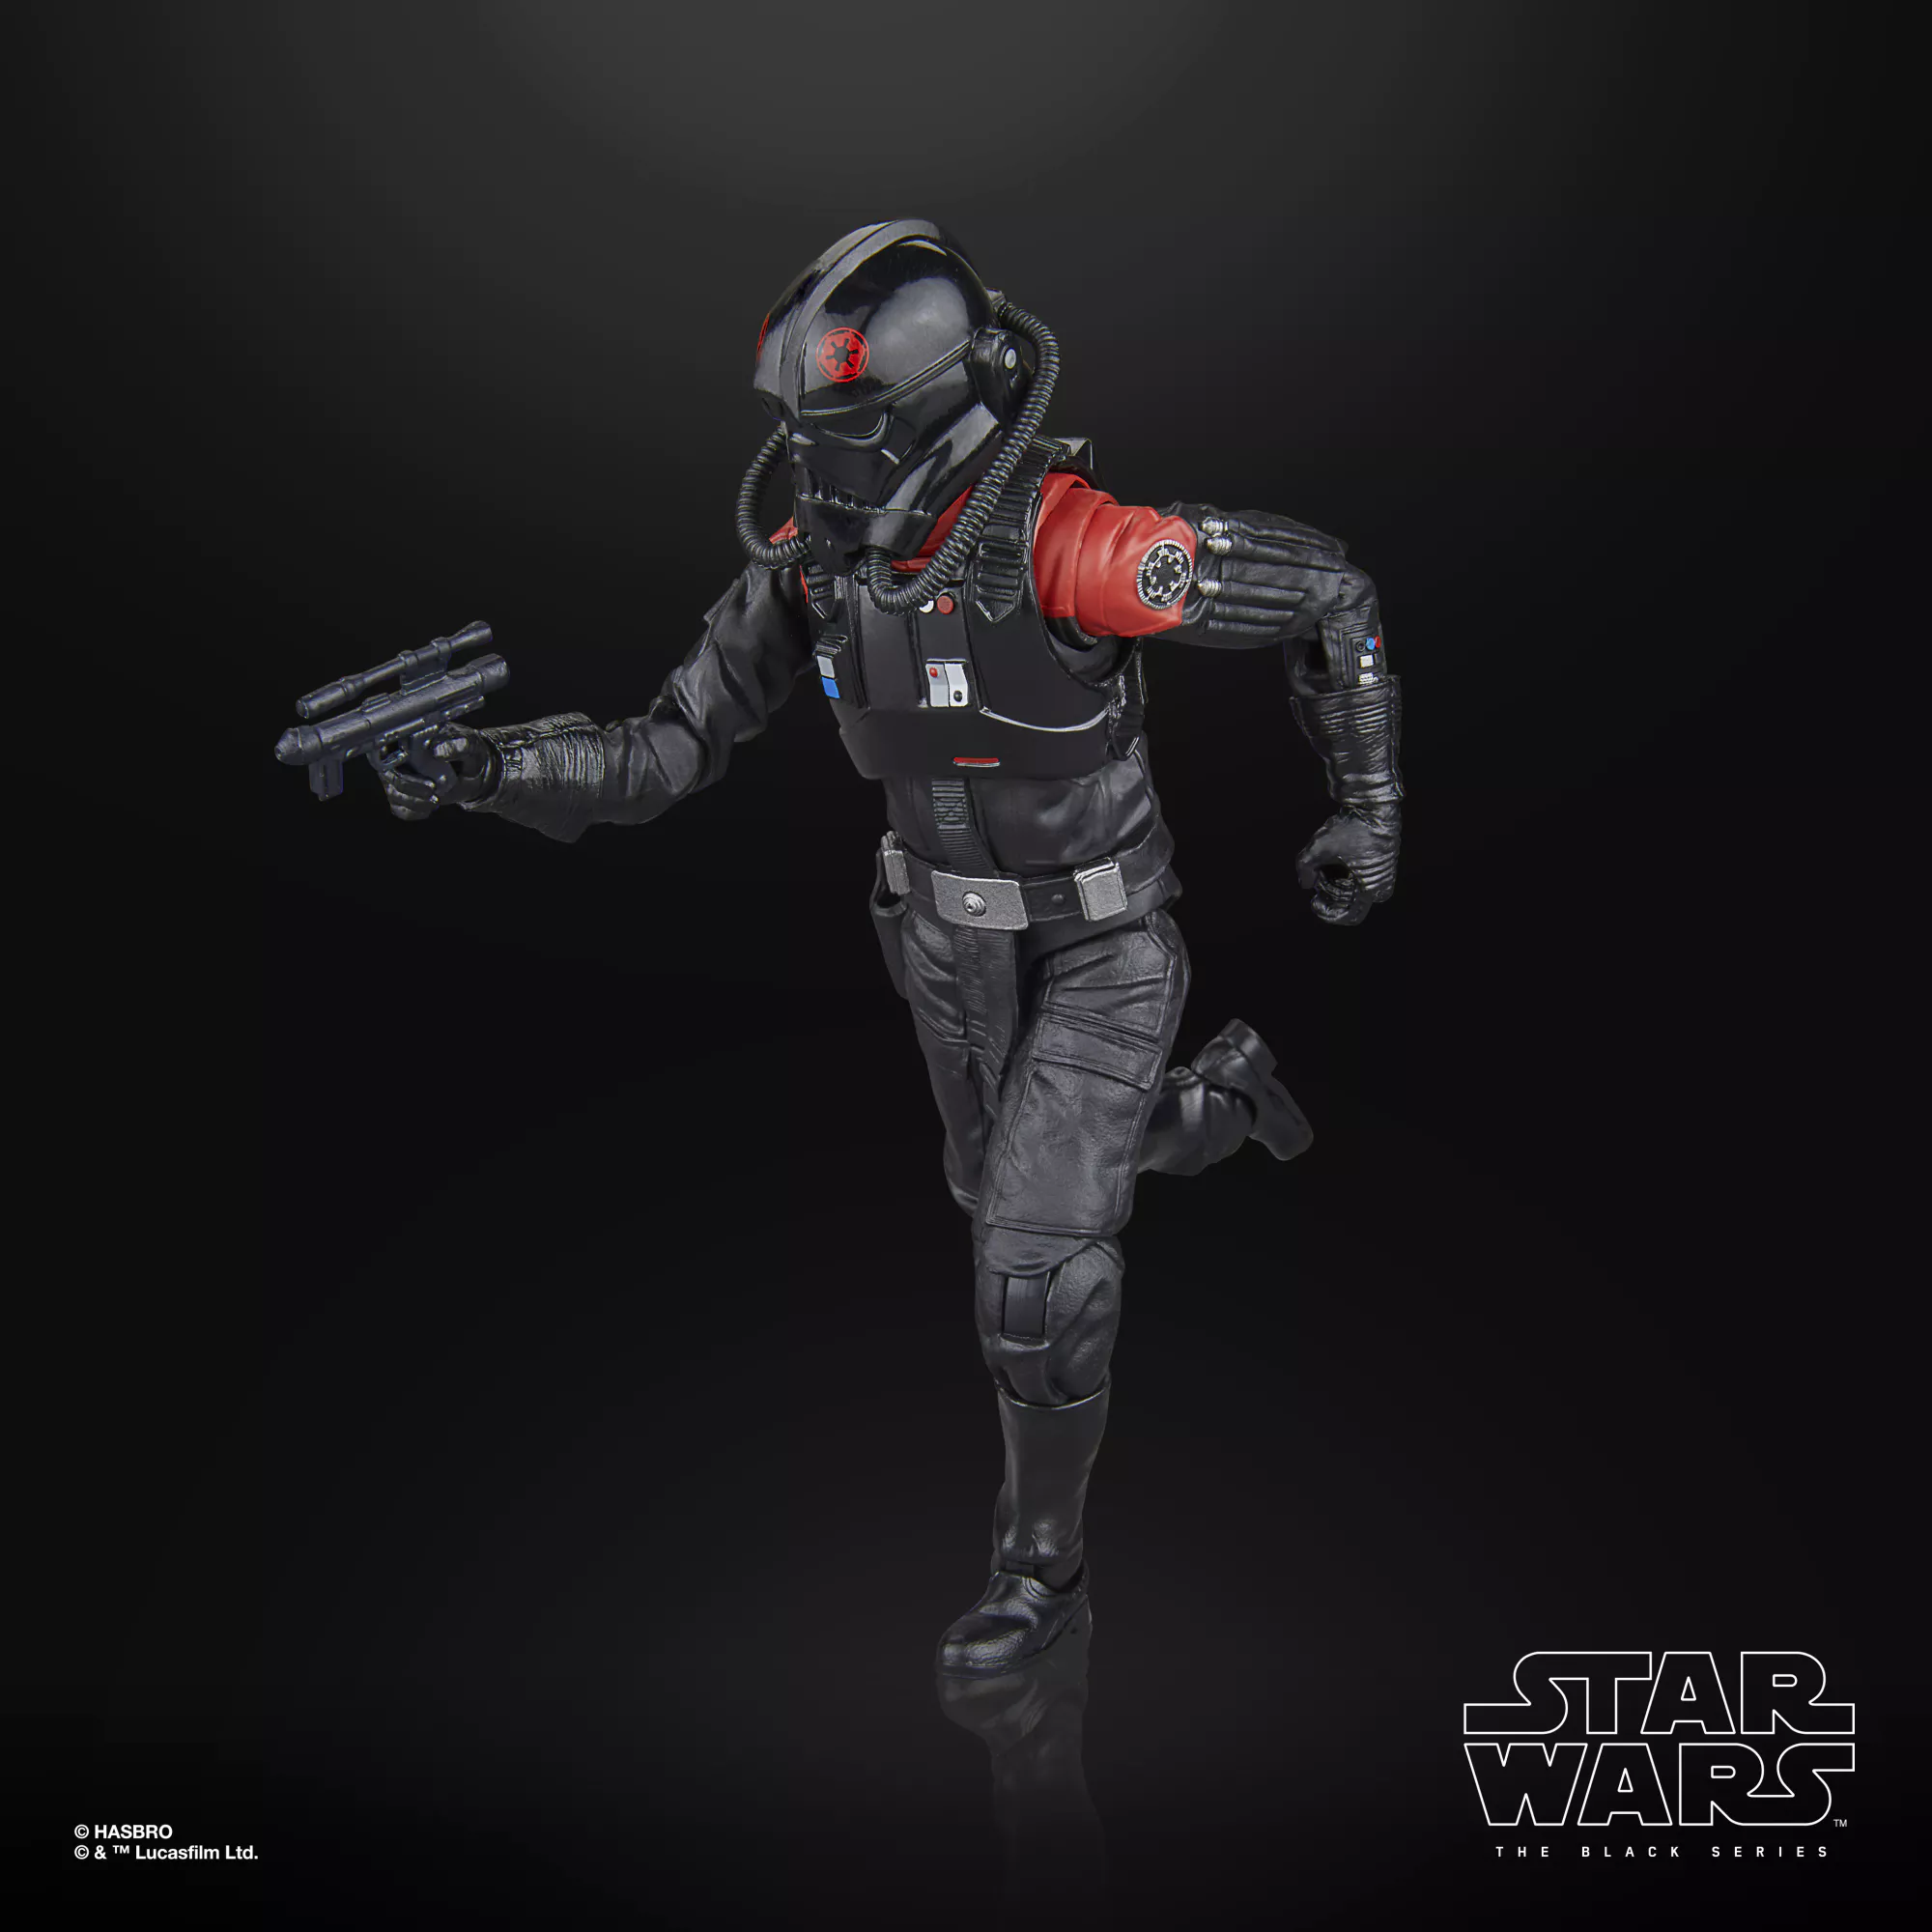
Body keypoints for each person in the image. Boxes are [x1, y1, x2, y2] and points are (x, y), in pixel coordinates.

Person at [382, 219, 1403, 1676]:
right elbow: (660, 751)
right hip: (941, 948)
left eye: (845, 430)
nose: (817, 466)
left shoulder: (1078, 544)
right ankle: (1221, 1104)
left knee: (1034, 1276)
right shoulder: (816, 574)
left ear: (936, 412)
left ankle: (1043, 1577)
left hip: (1102, 943)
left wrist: (1369, 808)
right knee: (1001, 1189)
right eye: (804, 433)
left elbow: (1327, 595)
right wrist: (486, 769)